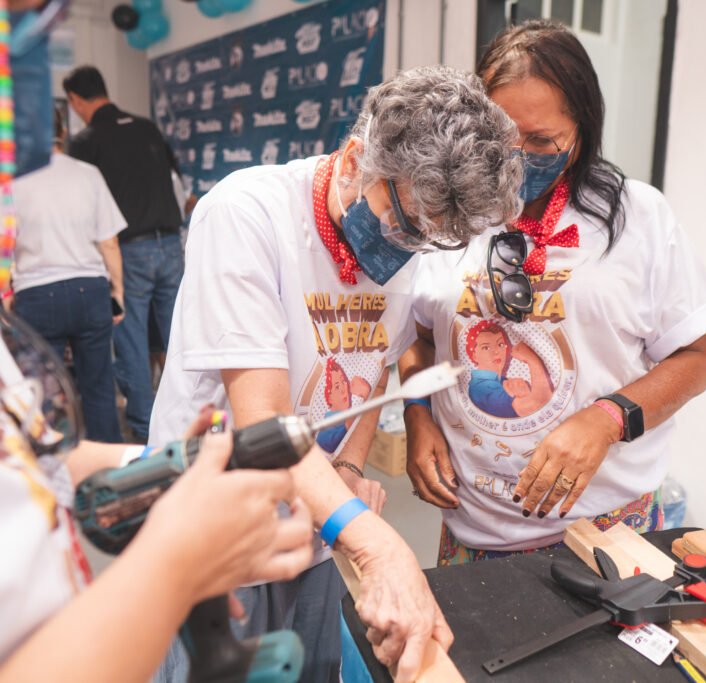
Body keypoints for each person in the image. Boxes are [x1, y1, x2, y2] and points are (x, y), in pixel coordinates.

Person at [0, 2, 312, 681]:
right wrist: (168, 570)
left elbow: (6, 449)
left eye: (33, 12)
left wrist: (169, 465)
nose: (6, 36)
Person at [149, 65, 523, 681]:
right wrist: (371, 539)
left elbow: (373, 365)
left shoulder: (411, 249)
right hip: (218, 521)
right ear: (354, 160)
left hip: (315, 515)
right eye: (402, 224)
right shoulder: (246, 215)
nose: (406, 249)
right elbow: (263, 422)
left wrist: (347, 470)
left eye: (431, 240)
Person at [400, 20, 706, 564]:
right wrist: (417, 415)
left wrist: (608, 419)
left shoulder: (636, 218)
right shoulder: (446, 211)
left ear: (580, 132)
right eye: (499, 136)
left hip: (601, 531)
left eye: (540, 140)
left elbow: (698, 356)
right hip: (471, 530)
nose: (516, 155)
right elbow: (417, 339)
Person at [0, 110, 126, 443]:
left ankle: (53, 470)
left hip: (36, 294)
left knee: (42, 391)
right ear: (64, 132)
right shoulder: (88, 175)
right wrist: (117, 292)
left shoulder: (12, 180)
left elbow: (1, 245)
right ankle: (108, 473)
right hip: (90, 291)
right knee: (99, 387)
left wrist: (3, 292)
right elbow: (109, 241)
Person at [63, 65, 185, 443]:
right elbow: (174, 179)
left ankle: (149, 431)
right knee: (180, 339)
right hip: (172, 244)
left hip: (130, 250)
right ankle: (189, 425)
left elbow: (82, 207)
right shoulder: (147, 127)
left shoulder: (86, 142)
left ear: (76, 101)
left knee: (131, 343)